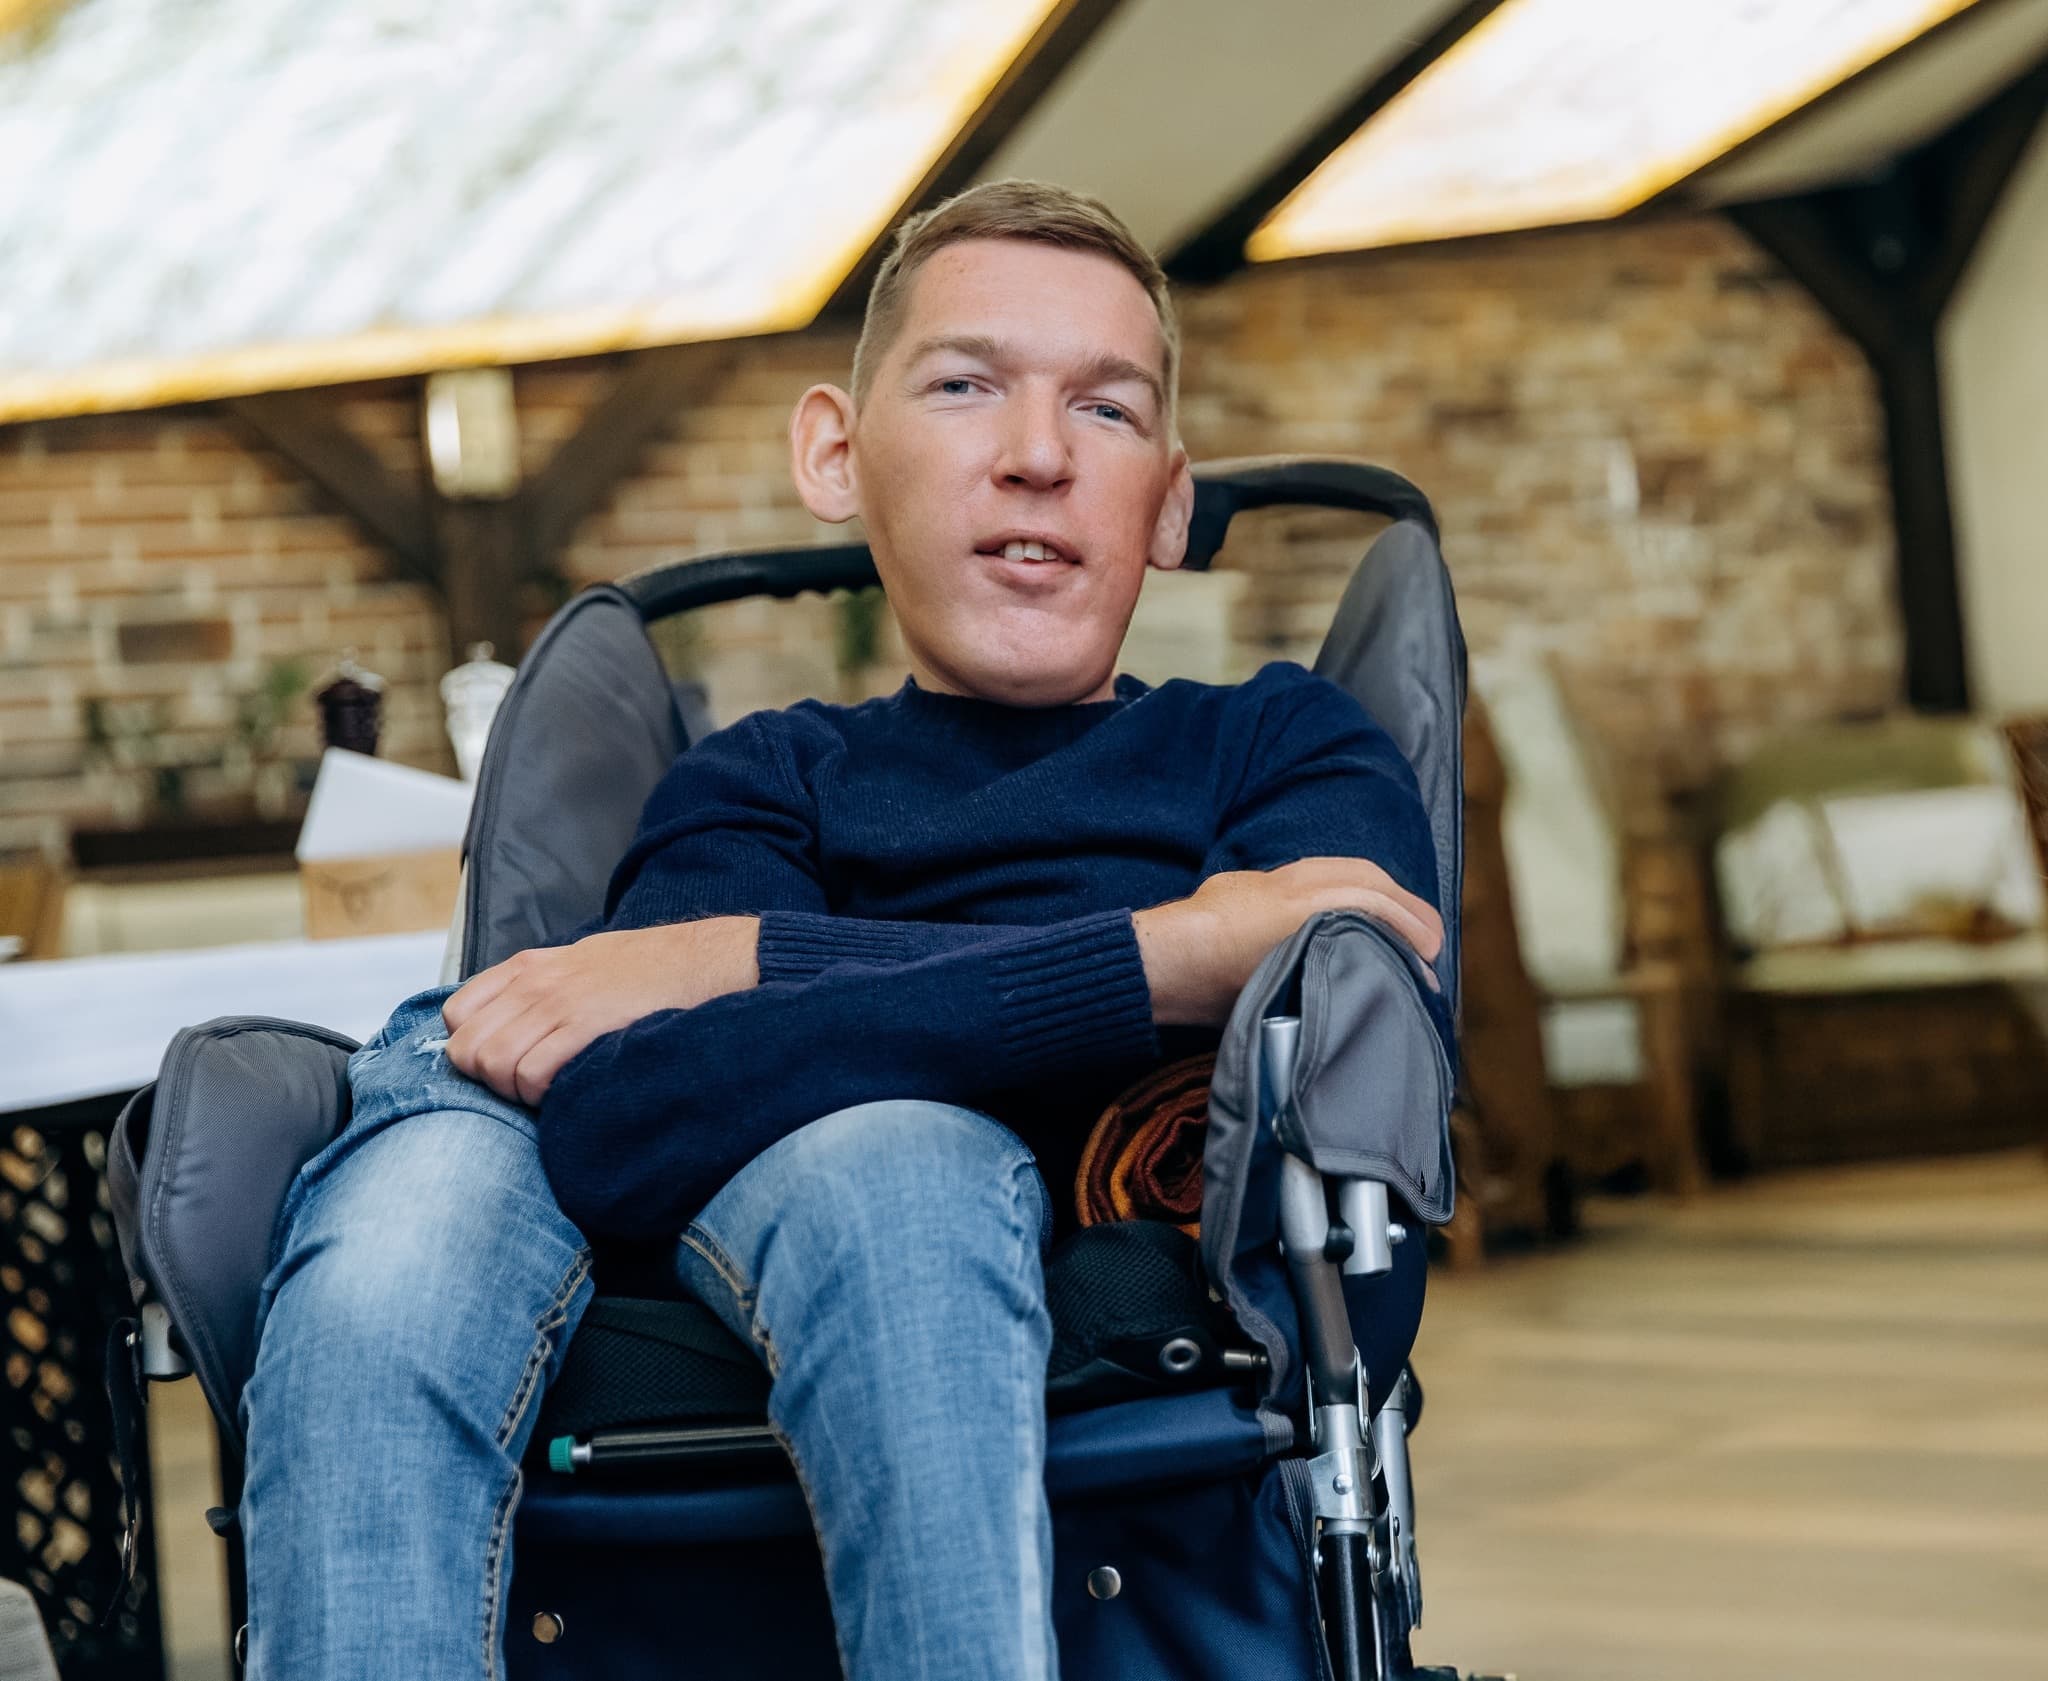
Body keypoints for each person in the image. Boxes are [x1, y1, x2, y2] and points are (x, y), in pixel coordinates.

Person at [239, 179, 1448, 1681]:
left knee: (893, 1163)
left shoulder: (1283, 743)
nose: (1038, 455)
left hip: (899, 1211)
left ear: (1170, 505)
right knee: (811, 1172)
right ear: (836, 455)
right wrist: (1163, 957)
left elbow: (1349, 996)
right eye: (963, 386)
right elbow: (628, 1122)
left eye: (1108, 410)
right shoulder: (760, 778)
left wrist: (749, 966)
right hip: (735, 1221)